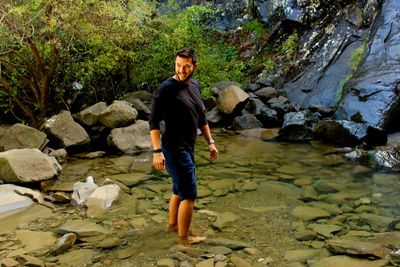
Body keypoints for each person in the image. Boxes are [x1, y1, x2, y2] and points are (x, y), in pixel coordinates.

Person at [149, 48, 218, 244]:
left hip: (188, 147)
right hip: (173, 149)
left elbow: (201, 118)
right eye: (178, 65)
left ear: (194, 66)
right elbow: (153, 122)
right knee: (189, 194)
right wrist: (157, 152)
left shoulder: (194, 85)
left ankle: (172, 226)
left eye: (186, 66)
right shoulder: (166, 89)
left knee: (178, 190)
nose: (181, 70)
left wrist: (210, 143)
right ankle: (184, 239)